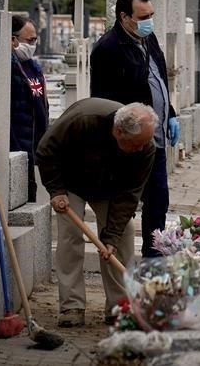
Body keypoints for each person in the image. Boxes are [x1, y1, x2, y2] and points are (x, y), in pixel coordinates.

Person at [37, 99, 157, 327]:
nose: (141, 148)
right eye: (136, 144)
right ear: (119, 132)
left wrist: (110, 237)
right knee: (70, 234)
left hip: (110, 187)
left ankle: (119, 306)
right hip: (70, 180)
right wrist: (56, 190)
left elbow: (130, 195)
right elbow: (45, 150)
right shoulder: (83, 120)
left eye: (144, 143)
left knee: (122, 236)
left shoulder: (146, 147)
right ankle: (72, 306)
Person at [89, 0, 179, 258]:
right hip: (131, 140)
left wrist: (170, 113)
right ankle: (120, 257)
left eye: (151, 14)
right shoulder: (108, 48)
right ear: (124, 17)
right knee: (126, 202)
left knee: (158, 200)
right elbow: (104, 101)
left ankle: (155, 255)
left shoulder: (148, 38)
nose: (149, 20)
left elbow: (159, 80)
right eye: (143, 16)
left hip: (157, 135)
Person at [9, 15, 49, 202]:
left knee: (30, 194)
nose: (33, 45)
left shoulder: (33, 66)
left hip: (34, 143)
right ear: (12, 39)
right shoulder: (9, 68)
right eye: (29, 40)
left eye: (35, 40)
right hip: (18, 144)